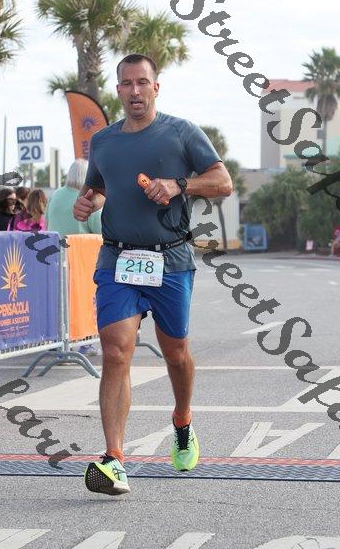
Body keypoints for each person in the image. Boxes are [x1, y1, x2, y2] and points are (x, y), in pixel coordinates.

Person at [73, 53, 232, 496]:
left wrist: (180, 185)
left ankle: (182, 420)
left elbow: (223, 182)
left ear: (155, 87)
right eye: (127, 84)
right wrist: (88, 202)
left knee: (175, 353)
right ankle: (114, 459)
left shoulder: (182, 133)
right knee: (115, 351)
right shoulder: (103, 142)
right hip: (118, 259)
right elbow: (98, 188)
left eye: (142, 82)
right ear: (118, 90)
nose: (135, 91)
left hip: (170, 258)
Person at [47, 159, 102, 357]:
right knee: (83, 302)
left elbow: (46, 222)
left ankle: (59, 342)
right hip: (81, 259)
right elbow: (99, 229)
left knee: (60, 302)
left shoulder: (56, 195)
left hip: (53, 256)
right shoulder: (88, 199)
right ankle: (85, 342)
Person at [46, 159, 102, 235]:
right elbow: (101, 231)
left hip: (54, 242)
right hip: (79, 243)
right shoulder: (89, 199)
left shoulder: (54, 195)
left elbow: (47, 224)